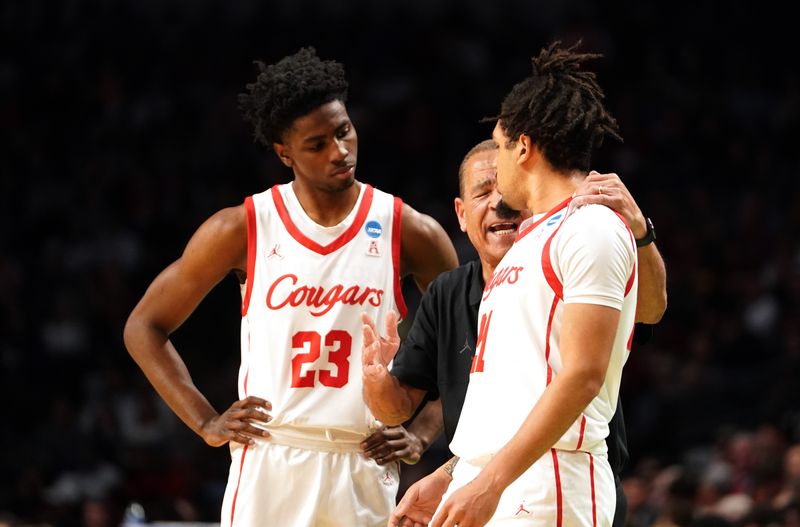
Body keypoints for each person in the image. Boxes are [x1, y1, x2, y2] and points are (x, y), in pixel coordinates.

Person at [122, 47, 458, 527]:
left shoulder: (409, 230)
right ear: (285, 154)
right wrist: (205, 422)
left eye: (343, 131)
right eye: (316, 144)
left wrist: (424, 432)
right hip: (269, 457)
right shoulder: (243, 227)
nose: (339, 151)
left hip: (361, 458)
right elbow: (144, 327)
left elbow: (474, 337)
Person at [363, 41, 654, 526]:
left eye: (498, 147)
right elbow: (509, 397)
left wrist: (490, 482)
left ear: (524, 147)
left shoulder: (592, 228)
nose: (496, 167)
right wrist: (455, 476)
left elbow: (582, 377)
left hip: (547, 480)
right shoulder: (527, 244)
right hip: (493, 476)